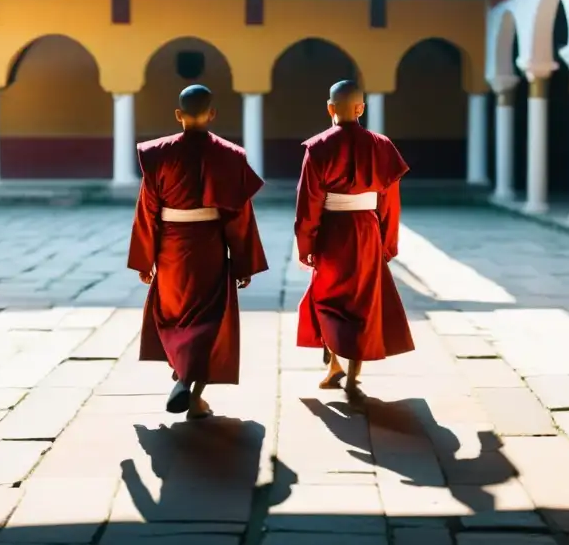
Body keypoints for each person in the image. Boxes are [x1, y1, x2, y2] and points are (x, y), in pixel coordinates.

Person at [128, 84, 267, 420]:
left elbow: (147, 210)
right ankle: (193, 391)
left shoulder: (159, 154)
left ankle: (182, 376)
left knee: (175, 316)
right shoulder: (230, 156)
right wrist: (244, 262)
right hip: (210, 249)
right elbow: (238, 215)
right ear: (212, 113)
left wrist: (145, 258)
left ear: (179, 115)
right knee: (210, 319)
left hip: (171, 250)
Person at [294, 79, 415, 408]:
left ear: (330, 108)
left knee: (328, 299)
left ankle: (334, 364)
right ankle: (348, 373)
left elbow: (308, 204)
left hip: (333, 232)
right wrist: (387, 243)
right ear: (361, 108)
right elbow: (390, 202)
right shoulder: (382, 146)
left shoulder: (317, 148)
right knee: (363, 303)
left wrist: (305, 244)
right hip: (367, 232)